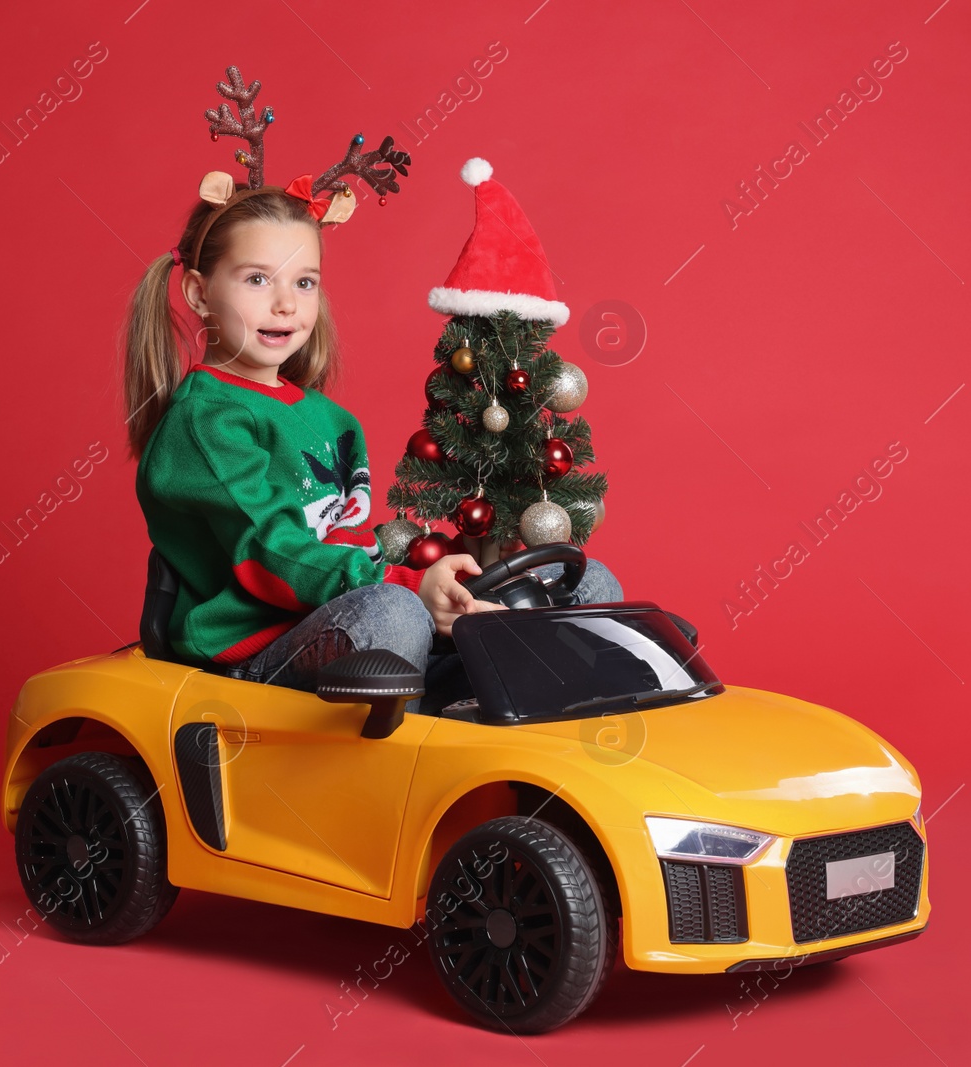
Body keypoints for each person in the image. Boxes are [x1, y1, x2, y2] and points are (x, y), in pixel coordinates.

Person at [124, 73, 619, 713]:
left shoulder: (332, 420)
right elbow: (270, 554)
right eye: (256, 279)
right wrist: (408, 585)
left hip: (352, 615)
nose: (284, 303)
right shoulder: (207, 420)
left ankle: (538, 728)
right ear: (198, 294)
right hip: (257, 655)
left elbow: (353, 539)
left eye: (304, 283)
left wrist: (454, 566)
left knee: (577, 578)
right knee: (392, 614)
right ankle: (406, 757)